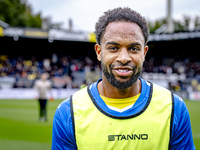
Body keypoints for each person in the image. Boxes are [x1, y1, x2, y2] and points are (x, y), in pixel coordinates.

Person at [51, 7, 195, 149]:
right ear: (99, 52)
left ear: (144, 53)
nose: (124, 58)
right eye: (114, 48)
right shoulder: (68, 113)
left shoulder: (174, 108)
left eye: (134, 48)